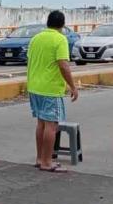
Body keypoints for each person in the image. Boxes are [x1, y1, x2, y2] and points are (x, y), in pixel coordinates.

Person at [26, 10, 80, 173]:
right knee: (52, 125)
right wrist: (72, 86)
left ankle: (39, 158)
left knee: (41, 124)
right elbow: (63, 65)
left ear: (47, 23)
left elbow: (30, 60)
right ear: (63, 25)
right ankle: (47, 162)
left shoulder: (36, 38)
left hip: (34, 87)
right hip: (50, 89)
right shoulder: (59, 39)